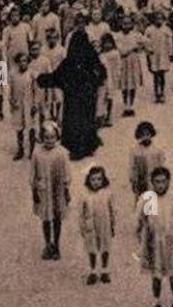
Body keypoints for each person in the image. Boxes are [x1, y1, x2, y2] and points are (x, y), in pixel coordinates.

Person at [37, 13, 107, 160]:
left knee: (74, 122)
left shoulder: (68, 63)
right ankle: (88, 146)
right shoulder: (91, 60)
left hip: (74, 99)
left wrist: (41, 79)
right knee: (86, 120)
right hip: (87, 98)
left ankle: (77, 148)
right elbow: (101, 74)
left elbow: (56, 77)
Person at [137, 166, 173, 307]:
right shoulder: (146, 198)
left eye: (163, 182)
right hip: (154, 242)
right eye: (157, 182)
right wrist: (144, 239)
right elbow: (141, 219)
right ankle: (156, 302)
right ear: (152, 183)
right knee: (156, 274)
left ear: (169, 182)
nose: (160, 185)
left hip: (171, 240)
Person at [30, 121, 71, 260]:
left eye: (52, 137)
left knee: (57, 218)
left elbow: (66, 173)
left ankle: (57, 245)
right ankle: (48, 244)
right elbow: (33, 174)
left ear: (57, 137)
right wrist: (34, 191)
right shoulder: (37, 153)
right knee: (46, 218)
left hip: (58, 190)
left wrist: (66, 190)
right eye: (46, 137)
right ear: (42, 137)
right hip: (44, 191)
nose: (49, 140)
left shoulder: (62, 153)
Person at [79, 165, 116, 284]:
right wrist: (83, 227)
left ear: (103, 180)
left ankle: (105, 270)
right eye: (93, 179)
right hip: (91, 225)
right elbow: (81, 213)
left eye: (99, 179)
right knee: (92, 248)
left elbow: (113, 210)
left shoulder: (107, 193)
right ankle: (93, 271)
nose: (96, 182)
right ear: (88, 180)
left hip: (104, 224)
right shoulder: (85, 195)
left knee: (105, 246)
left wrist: (112, 225)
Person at [128, 121, 166, 201]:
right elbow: (132, 167)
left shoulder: (157, 150)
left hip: (154, 181)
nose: (146, 137)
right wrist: (133, 180)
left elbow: (162, 166)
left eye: (148, 134)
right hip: (141, 182)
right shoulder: (135, 151)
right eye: (143, 135)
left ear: (151, 135)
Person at [9, 51, 35, 161]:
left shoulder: (32, 74)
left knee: (31, 127)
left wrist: (35, 104)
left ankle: (32, 150)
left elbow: (36, 90)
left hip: (29, 103)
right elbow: (10, 90)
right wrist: (11, 101)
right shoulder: (13, 74)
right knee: (19, 128)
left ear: (28, 62)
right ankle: (20, 149)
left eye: (24, 61)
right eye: (20, 61)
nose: (22, 63)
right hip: (18, 103)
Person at [145, 11, 173, 104]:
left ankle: (161, 92)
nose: (159, 21)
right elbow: (146, 41)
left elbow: (170, 42)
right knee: (155, 74)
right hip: (153, 54)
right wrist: (148, 51)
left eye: (160, 19)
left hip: (163, 54)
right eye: (157, 19)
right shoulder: (149, 29)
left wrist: (170, 53)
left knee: (161, 74)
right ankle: (156, 93)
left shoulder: (166, 29)